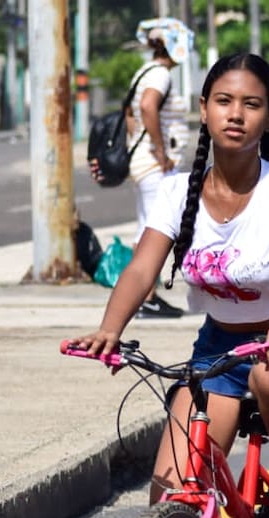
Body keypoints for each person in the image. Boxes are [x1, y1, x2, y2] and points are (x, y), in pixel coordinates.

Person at [70, 52, 269, 518]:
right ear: (203, 109)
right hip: (219, 351)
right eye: (223, 101)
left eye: (251, 104)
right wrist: (109, 329)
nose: (235, 113)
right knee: (172, 499)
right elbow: (140, 269)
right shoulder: (178, 191)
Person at [94, 17, 194, 318]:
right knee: (158, 229)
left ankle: (144, 296)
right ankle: (145, 296)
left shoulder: (145, 71)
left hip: (144, 163)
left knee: (146, 229)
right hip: (153, 164)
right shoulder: (160, 75)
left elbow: (130, 111)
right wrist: (160, 149)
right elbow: (148, 106)